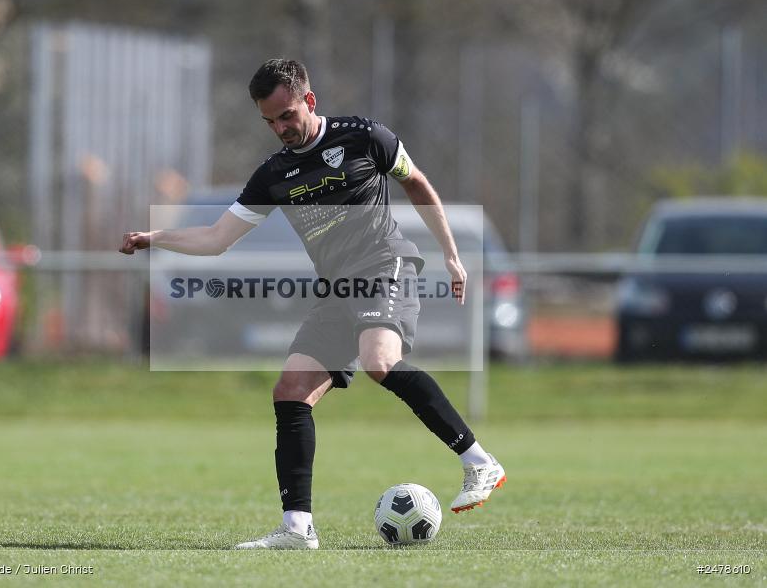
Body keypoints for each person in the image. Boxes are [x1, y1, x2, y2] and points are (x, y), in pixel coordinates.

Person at [120, 59, 505, 550]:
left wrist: (451, 256)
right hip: (336, 290)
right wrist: (157, 237)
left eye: (287, 115)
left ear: (310, 101)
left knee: (379, 362)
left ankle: (479, 462)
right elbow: (218, 239)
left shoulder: (365, 137)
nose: (281, 128)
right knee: (290, 390)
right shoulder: (274, 174)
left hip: (383, 265)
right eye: (270, 121)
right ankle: (298, 529)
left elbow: (417, 184)